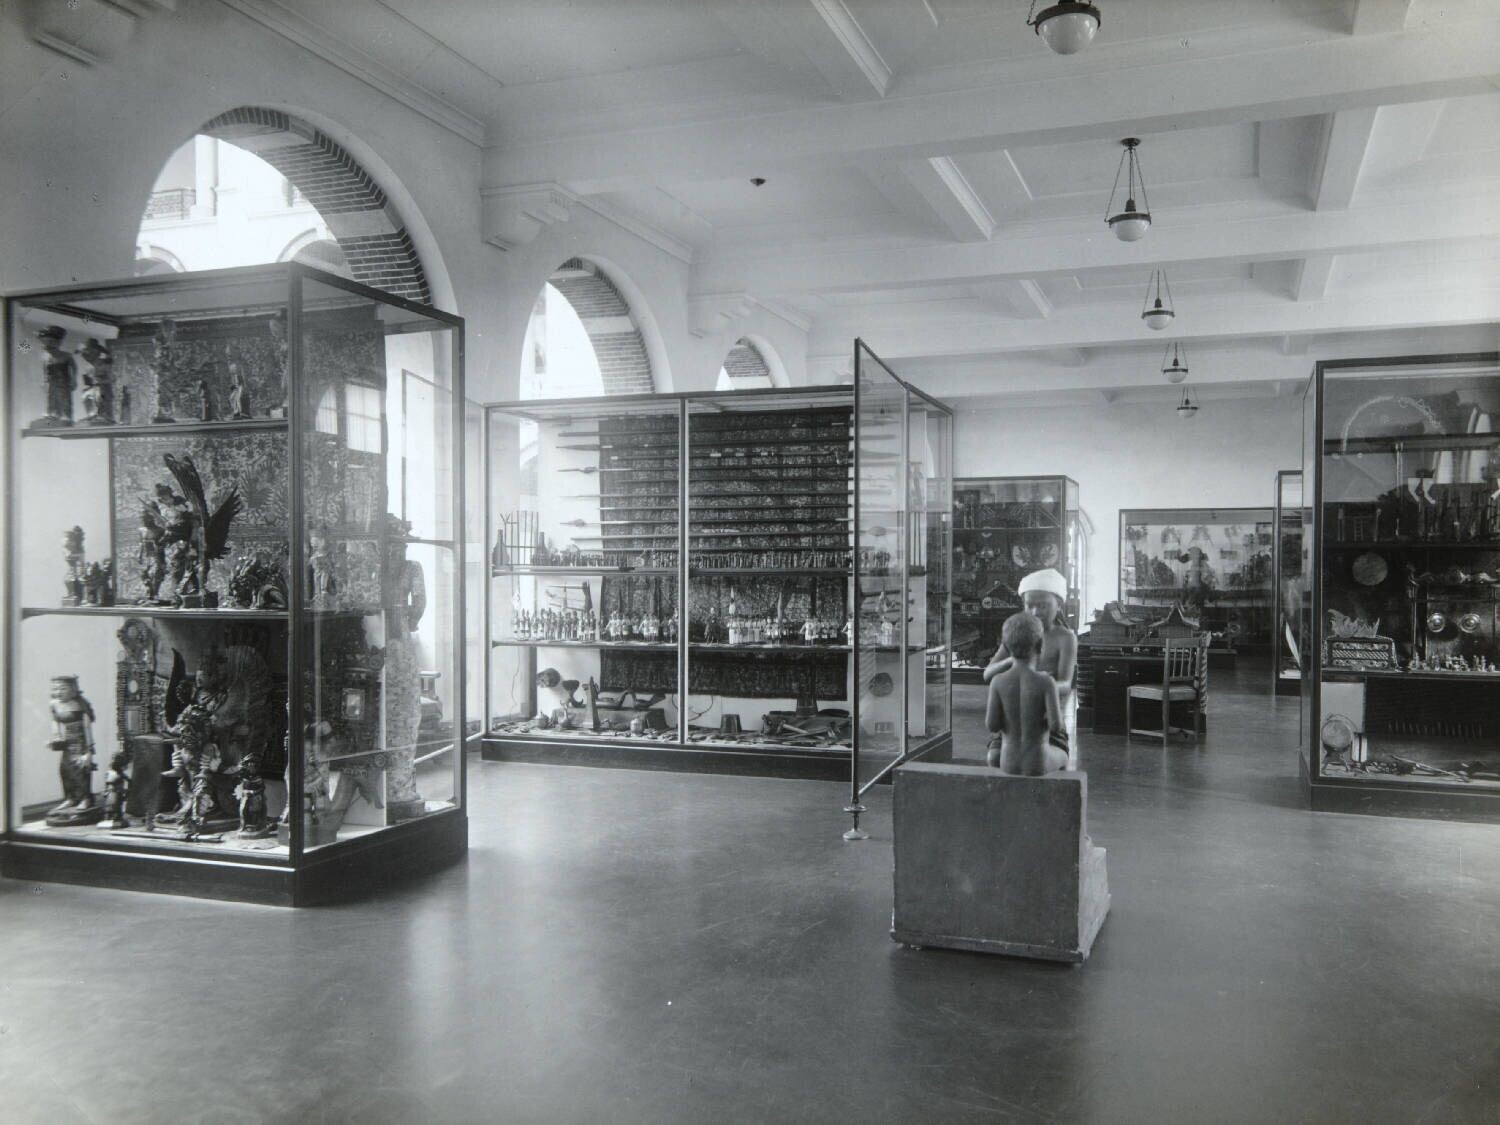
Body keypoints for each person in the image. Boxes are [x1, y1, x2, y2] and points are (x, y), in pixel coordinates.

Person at [982, 567, 1078, 766]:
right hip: (1013, 717)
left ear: (1059, 604)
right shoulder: (1019, 633)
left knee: (1044, 758)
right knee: (994, 758)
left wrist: (1038, 685)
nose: (1035, 612)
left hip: (1045, 715)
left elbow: (1066, 683)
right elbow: (988, 674)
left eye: (1043, 606)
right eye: (1029, 605)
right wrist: (1013, 659)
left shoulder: (1065, 638)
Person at [984, 613, 1068, 777]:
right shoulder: (1046, 682)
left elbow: (992, 725)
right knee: (1063, 756)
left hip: (1008, 763)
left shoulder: (997, 681)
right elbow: (1056, 726)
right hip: (1039, 763)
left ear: (1006, 647)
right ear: (1040, 645)